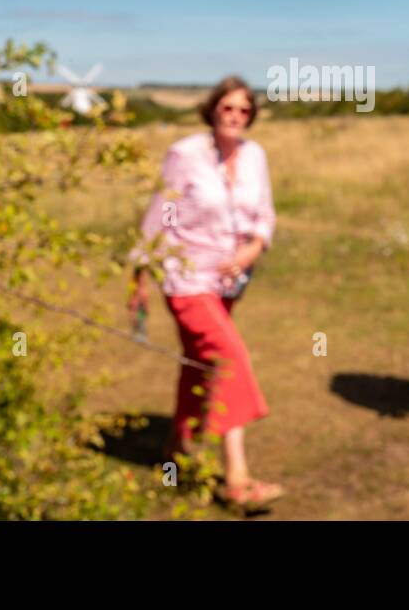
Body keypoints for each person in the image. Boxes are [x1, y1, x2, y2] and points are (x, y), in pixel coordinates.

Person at [128, 76, 283, 509]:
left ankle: (176, 446)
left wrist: (252, 248)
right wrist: (139, 273)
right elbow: (163, 210)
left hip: (229, 282)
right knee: (229, 359)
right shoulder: (185, 155)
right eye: (227, 108)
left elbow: (265, 215)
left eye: (243, 111)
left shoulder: (254, 157)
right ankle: (236, 477)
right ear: (212, 110)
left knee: (199, 363)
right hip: (185, 277)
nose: (235, 117)